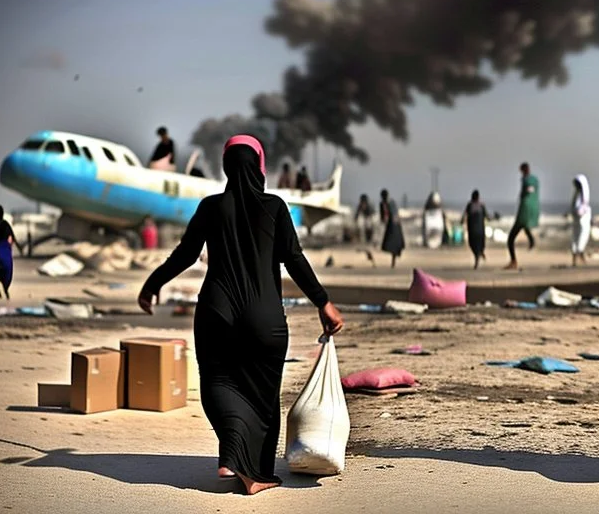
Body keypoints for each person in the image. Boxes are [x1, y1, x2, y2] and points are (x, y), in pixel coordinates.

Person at [136, 135, 344, 496]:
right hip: (264, 317)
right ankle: (255, 474)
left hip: (217, 311)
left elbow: (185, 255)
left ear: (226, 167)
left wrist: (153, 283)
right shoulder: (275, 208)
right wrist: (322, 302)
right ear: (260, 166)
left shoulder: (210, 207)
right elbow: (294, 259)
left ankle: (231, 456)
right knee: (262, 395)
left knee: (219, 382)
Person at [504, 162, 539, 270]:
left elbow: (526, 192)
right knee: (525, 226)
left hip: (524, 211)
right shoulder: (535, 180)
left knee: (511, 239)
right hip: (533, 210)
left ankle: (513, 261)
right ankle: (531, 240)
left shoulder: (526, 180)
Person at [0, 205, 23, 300]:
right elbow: (12, 237)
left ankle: (1, 293)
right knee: (3, 273)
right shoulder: (5, 225)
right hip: (4, 254)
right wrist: (19, 248)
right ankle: (4, 291)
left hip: (0, 254)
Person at [461, 190, 490, 269]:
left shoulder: (470, 205)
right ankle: (479, 253)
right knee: (479, 244)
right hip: (479, 230)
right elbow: (487, 216)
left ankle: (478, 256)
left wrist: (461, 221)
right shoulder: (480, 205)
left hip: (473, 230)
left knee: (473, 245)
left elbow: (464, 215)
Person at [379, 189, 405, 268]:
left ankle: (393, 262)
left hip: (392, 226)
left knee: (392, 245)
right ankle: (393, 262)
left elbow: (385, 216)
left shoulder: (385, 203)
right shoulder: (391, 202)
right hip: (396, 225)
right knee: (393, 245)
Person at [571, 174, 592, 267]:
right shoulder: (579, 196)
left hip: (581, 217)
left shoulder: (580, 196)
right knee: (579, 236)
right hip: (580, 217)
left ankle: (578, 258)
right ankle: (578, 257)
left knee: (580, 236)